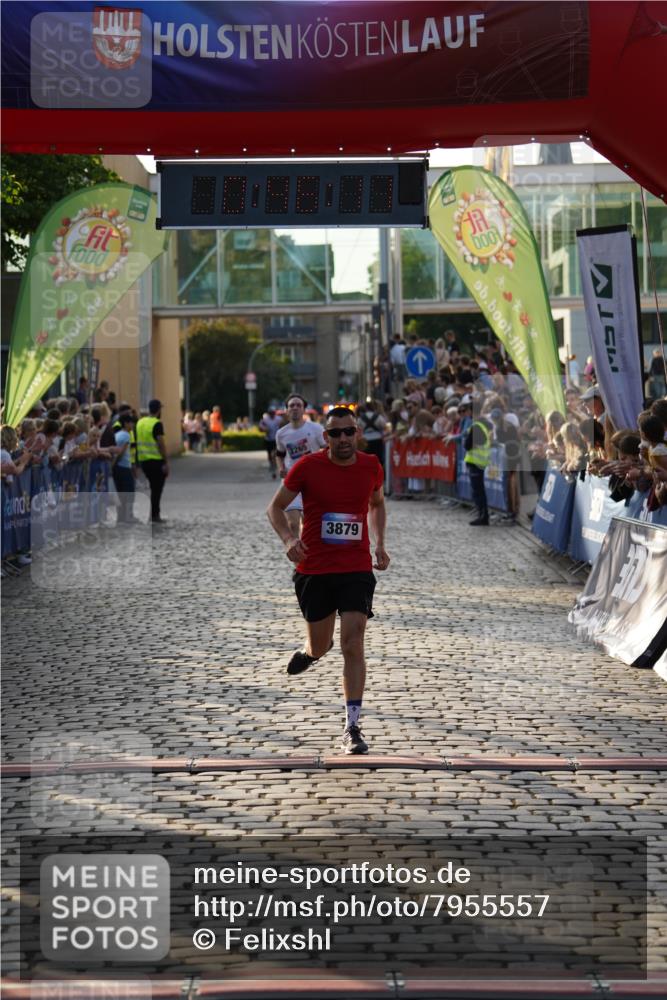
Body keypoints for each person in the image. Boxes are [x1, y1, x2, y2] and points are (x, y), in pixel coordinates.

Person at [266, 406, 390, 755]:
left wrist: (380, 543)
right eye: (336, 433)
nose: (343, 438)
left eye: (349, 431)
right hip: (315, 569)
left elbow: (377, 504)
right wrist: (289, 540)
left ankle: (352, 726)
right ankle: (310, 651)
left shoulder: (371, 466)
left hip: (355, 569)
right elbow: (274, 508)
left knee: (353, 642)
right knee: (322, 645)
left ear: (357, 433)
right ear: (326, 437)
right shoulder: (307, 467)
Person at [275, 394, 326, 537]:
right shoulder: (281, 433)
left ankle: (308, 548)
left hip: (313, 481)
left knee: (309, 522)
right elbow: (279, 454)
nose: (295, 408)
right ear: (286, 410)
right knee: (292, 524)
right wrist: (281, 468)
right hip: (291, 481)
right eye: (291, 405)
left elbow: (327, 449)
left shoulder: (316, 428)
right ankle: (295, 550)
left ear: (304, 409)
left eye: (299, 405)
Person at [136, 399, 169, 524]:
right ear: (159, 410)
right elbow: (161, 444)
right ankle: (154, 515)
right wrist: (166, 461)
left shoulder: (140, 422)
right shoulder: (157, 423)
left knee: (153, 487)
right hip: (156, 460)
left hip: (143, 460)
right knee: (157, 489)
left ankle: (153, 514)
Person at [464, 411, 493, 525]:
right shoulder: (483, 426)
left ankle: (483, 516)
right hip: (480, 462)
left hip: (475, 462)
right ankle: (482, 515)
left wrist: (468, 441)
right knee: (479, 490)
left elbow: (467, 445)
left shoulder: (476, 427)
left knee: (478, 491)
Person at [112, 411, 136, 524]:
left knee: (120, 492)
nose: (133, 425)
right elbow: (121, 453)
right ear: (126, 423)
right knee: (129, 493)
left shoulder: (117, 434)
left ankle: (121, 516)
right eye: (131, 423)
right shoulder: (126, 435)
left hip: (118, 468)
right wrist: (115, 463)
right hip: (124, 467)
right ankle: (128, 516)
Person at [356, 399, 387, 468]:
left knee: (367, 458)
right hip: (377, 439)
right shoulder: (378, 416)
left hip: (366, 439)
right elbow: (383, 425)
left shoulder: (361, 418)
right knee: (378, 457)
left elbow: (358, 428)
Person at [259, 406, 282, 478]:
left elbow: (283, 426)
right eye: (270, 413)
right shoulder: (265, 420)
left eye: (273, 413)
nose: (272, 414)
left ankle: (275, 466)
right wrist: (264, 429)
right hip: (268, 439)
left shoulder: (279, 419)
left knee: (274, 453)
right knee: (269, 454)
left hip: (276, 439)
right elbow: (260, 428)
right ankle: (271, 464)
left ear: (275, 413)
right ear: (268, 413)